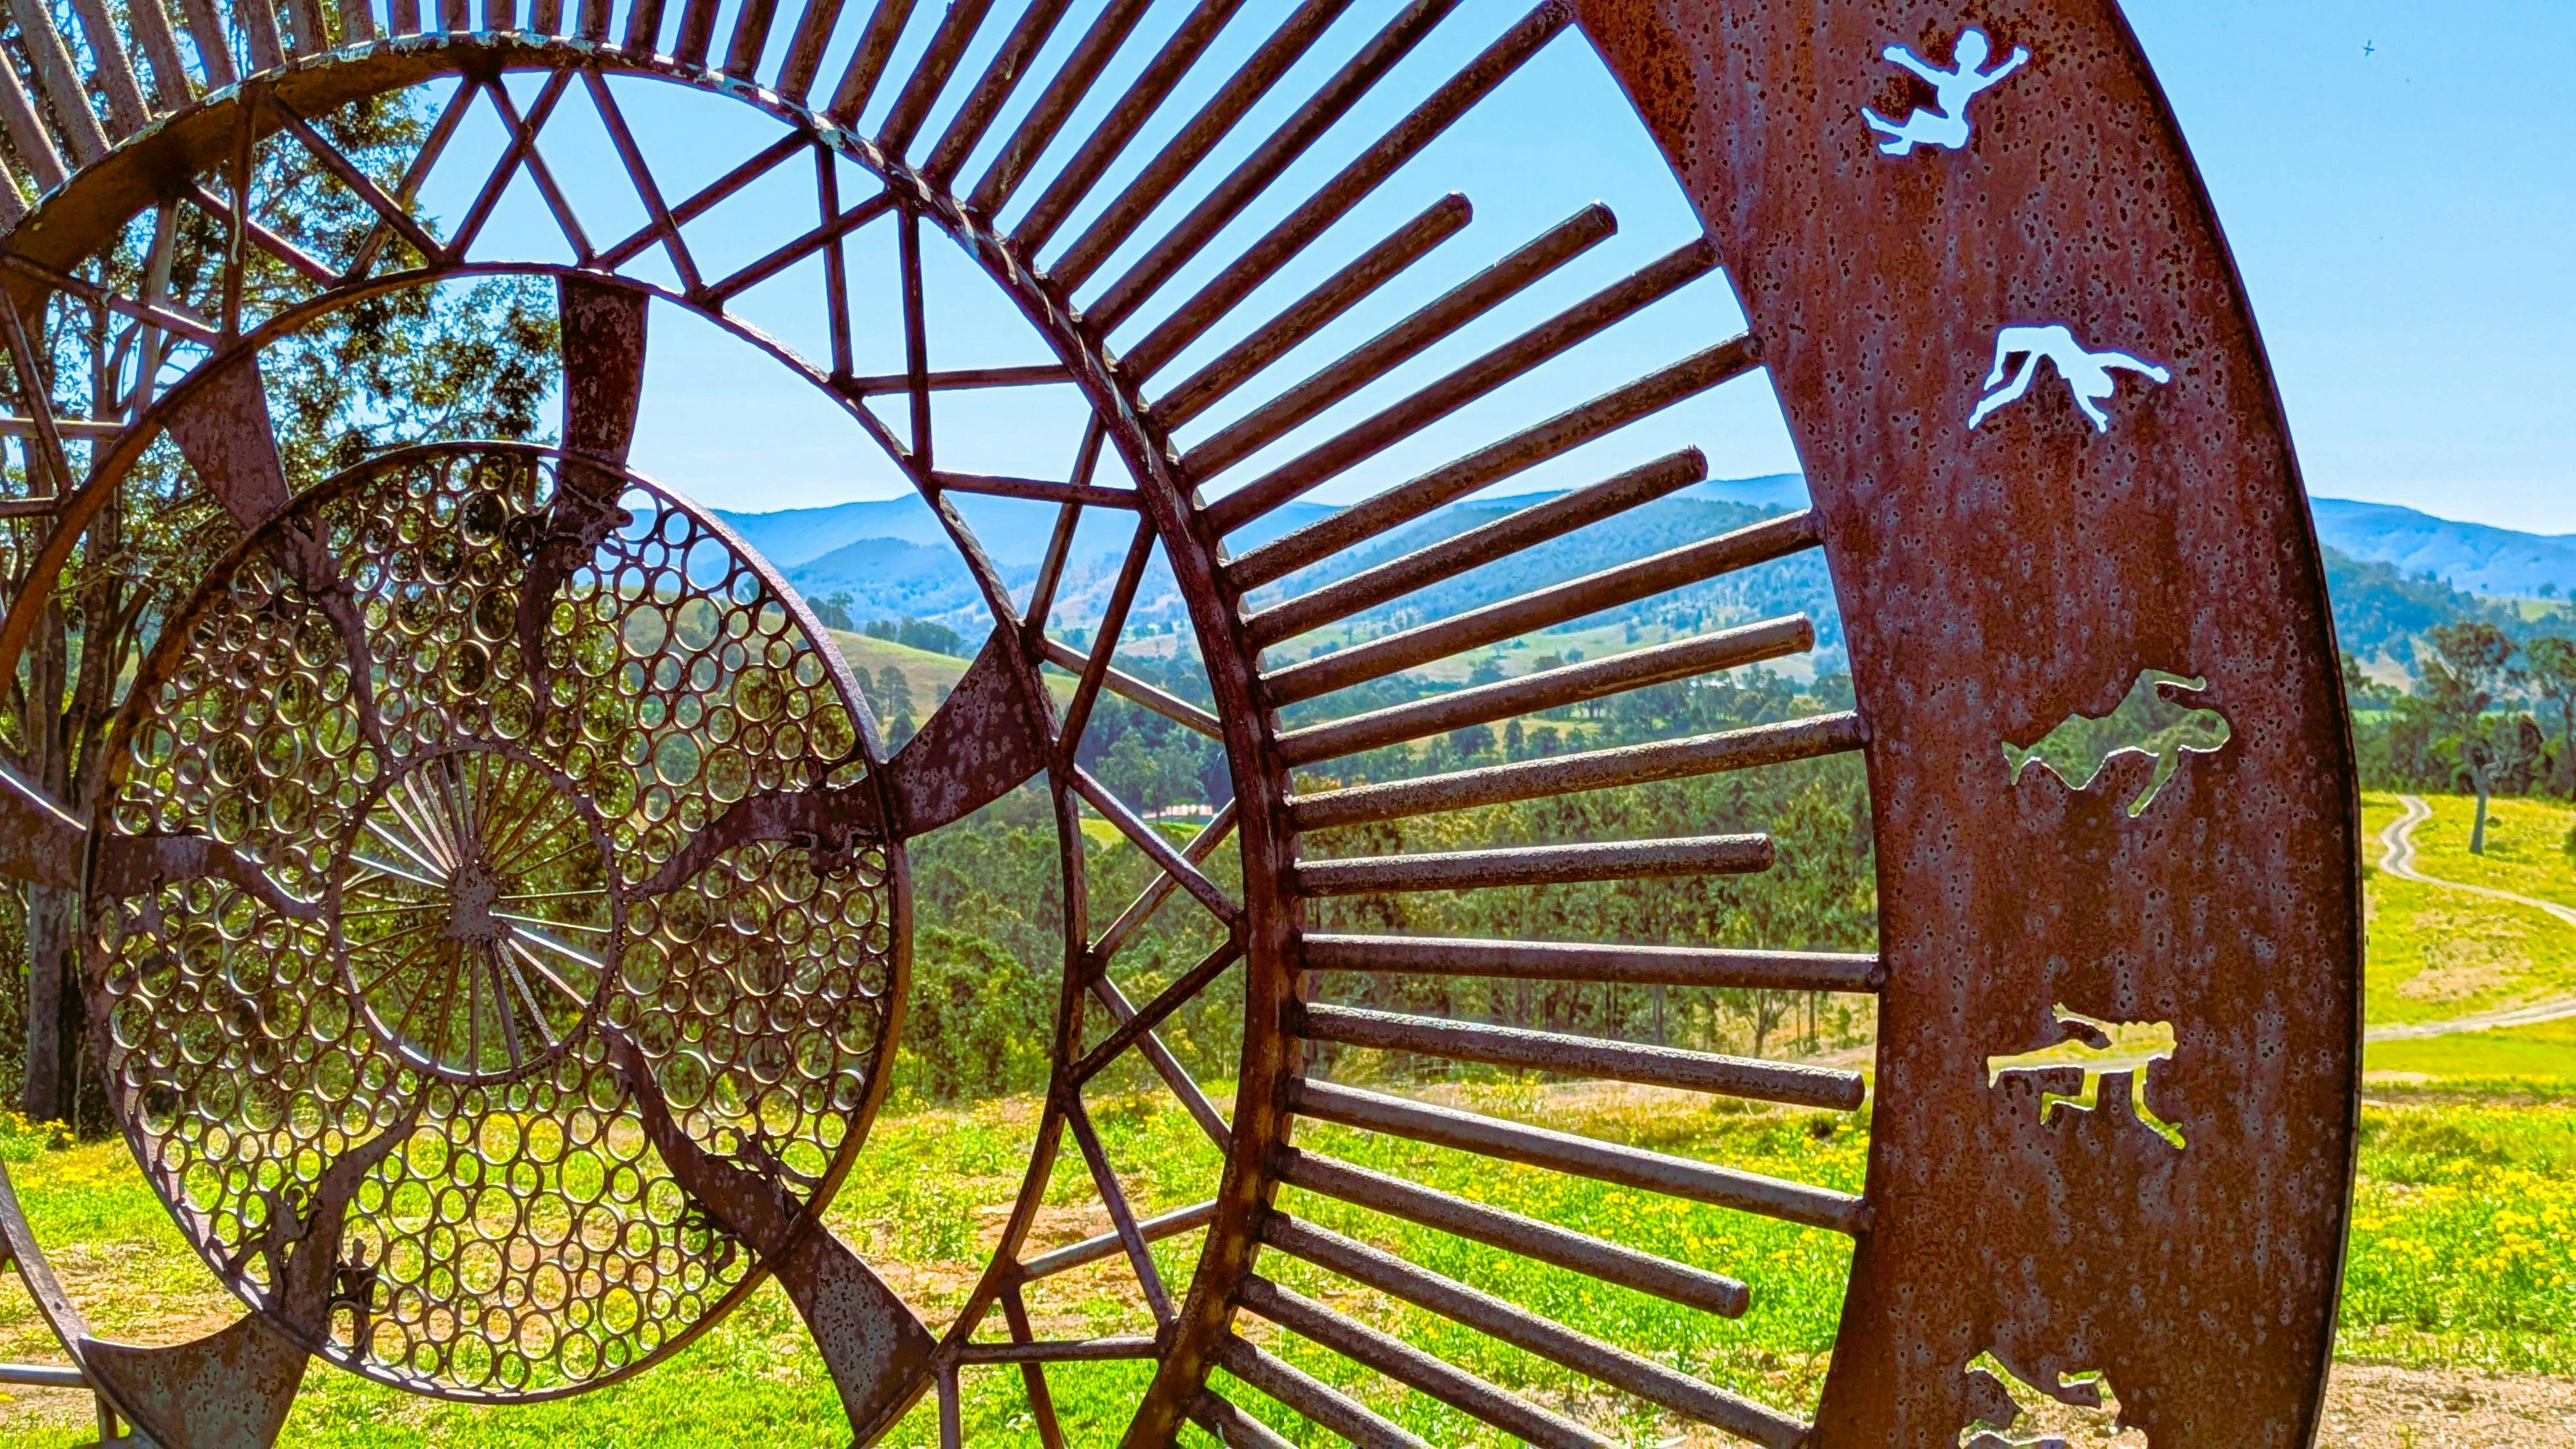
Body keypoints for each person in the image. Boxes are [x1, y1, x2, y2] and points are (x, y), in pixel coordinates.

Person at [1970, 325, 2170, 433]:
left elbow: (2084, 400)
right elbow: (2118, 359)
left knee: (2007, 347)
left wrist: (2097, 417)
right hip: (2052, 340)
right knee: (2007, 345)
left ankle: (1985, 403)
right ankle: (1995, 377)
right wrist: (2151, 371)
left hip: (2047, 345)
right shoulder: (2088, 363)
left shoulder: (2079, 378)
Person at [1862, 28, 2030, 155]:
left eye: (1962, 43)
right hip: (1949, 125)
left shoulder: (1970, 82)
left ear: (1969, 54)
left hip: (1955, 130)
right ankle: (1903, 142)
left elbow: (1994, 77)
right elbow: (1924, 71)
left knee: (1919, 121)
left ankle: (1882, 126)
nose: (1957, 45)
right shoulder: (1947, 79)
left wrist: (2014, 61)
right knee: (1918, 118)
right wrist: (1903, 58)